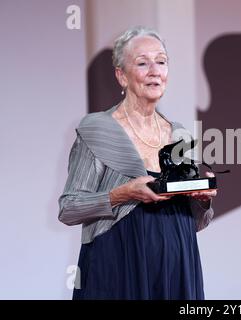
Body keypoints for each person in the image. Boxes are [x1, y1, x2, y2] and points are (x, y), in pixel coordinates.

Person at [58, 26, 216, 300]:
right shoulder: (98, 130)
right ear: (121, 75)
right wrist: (123, 194)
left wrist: (201, 201)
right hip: (117, 266)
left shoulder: (180, 135)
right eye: (143, 63)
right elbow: (69, 208)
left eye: (161, 61)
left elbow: (195, 223)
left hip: (176, 269)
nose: (155, 70)